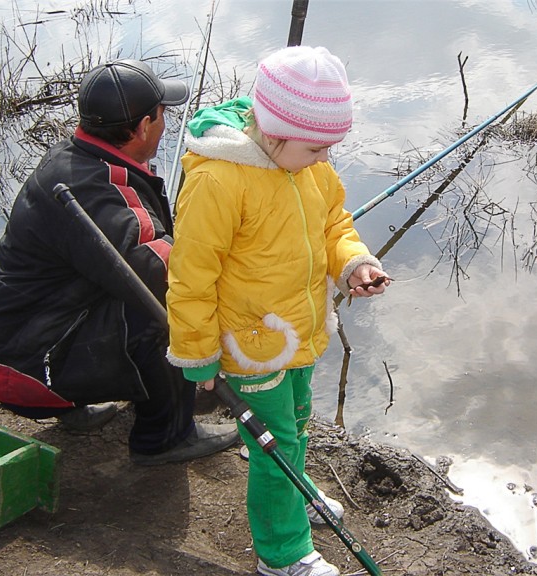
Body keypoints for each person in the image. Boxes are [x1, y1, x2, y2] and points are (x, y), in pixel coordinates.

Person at [166, 46, 389, 576]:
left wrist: (353, 261)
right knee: (275, 447)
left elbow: (334, 225)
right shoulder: (218, 180)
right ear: (273, 131)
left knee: (297, 422)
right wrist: (196, 357)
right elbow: (190, 276)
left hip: (300, 332)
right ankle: (283, 554)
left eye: (330, 147)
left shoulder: (309, 169)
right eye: (316, 147)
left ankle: (295, 489)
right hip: (249, 345)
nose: (325, 158)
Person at [0, 59, 238, 465]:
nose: (165, 125)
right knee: (174, 307)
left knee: (139, 294)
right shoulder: (102, 191)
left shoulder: (72, 157)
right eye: (162, 115)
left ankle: (74, 401)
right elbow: (175, 276)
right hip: (16, 371)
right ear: (143, 127)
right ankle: (165, 438)